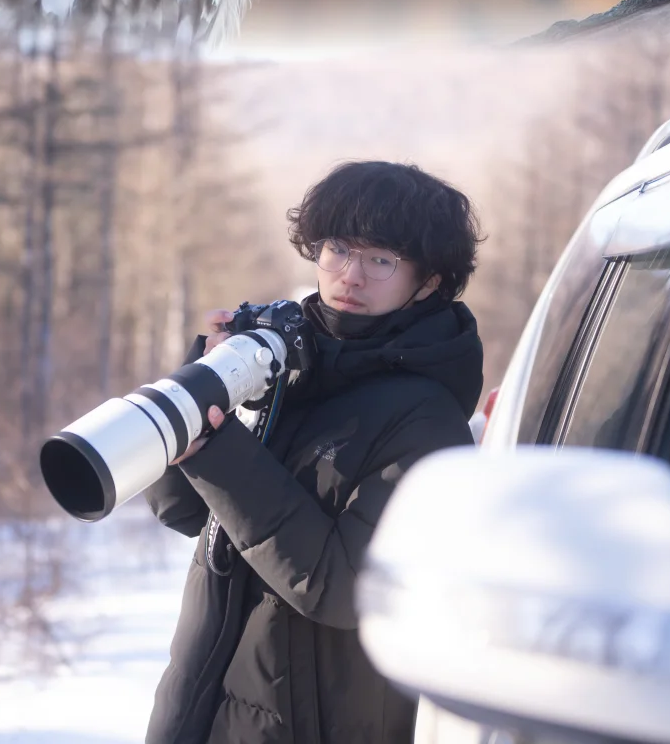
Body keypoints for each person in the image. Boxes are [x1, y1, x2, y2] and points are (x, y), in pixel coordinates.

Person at [144, 160, 484, 744]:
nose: (351, 275)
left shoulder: (426, 419)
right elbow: (183, 513)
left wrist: (221, 451)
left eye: (381, 260)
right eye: (337, 249)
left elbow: (343, 587)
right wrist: (205, 384)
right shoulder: (294, 366)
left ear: (428, 281)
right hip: (205, 712)